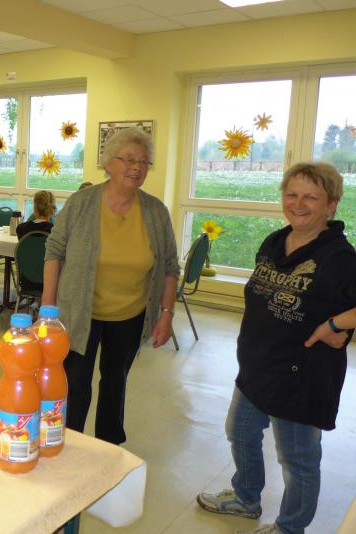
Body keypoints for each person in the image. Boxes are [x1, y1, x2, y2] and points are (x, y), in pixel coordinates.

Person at [197, 162, 356, 534]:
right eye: (291, 194)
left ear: (331, 205)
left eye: (310, 197)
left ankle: (290, 528)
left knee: (297, 460)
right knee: (240, 433)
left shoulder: (339, 258)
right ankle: (246, 498)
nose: (298, 204)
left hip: (302, 377)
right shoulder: (274, 242)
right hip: (257, 366)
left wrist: (336, 325)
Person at [42, 128, 179, 445]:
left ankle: (109, 446)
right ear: (108, 163)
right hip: (79, 311)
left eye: (143, 161)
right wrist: (48, 308)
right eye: (129, 159)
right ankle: (69, 442)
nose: (137, 167)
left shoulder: (156, 212)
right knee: (76, 383)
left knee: (116, 382)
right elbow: (54, 252)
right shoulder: (81, 203)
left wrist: (166, 313)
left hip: (130, 313)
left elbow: (170, 266)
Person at [16, 190, 56, 294]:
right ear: (52, 209)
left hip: (27, 281)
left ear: (34, 207)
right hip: (50, 282)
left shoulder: (21, 229)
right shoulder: (55, 231)